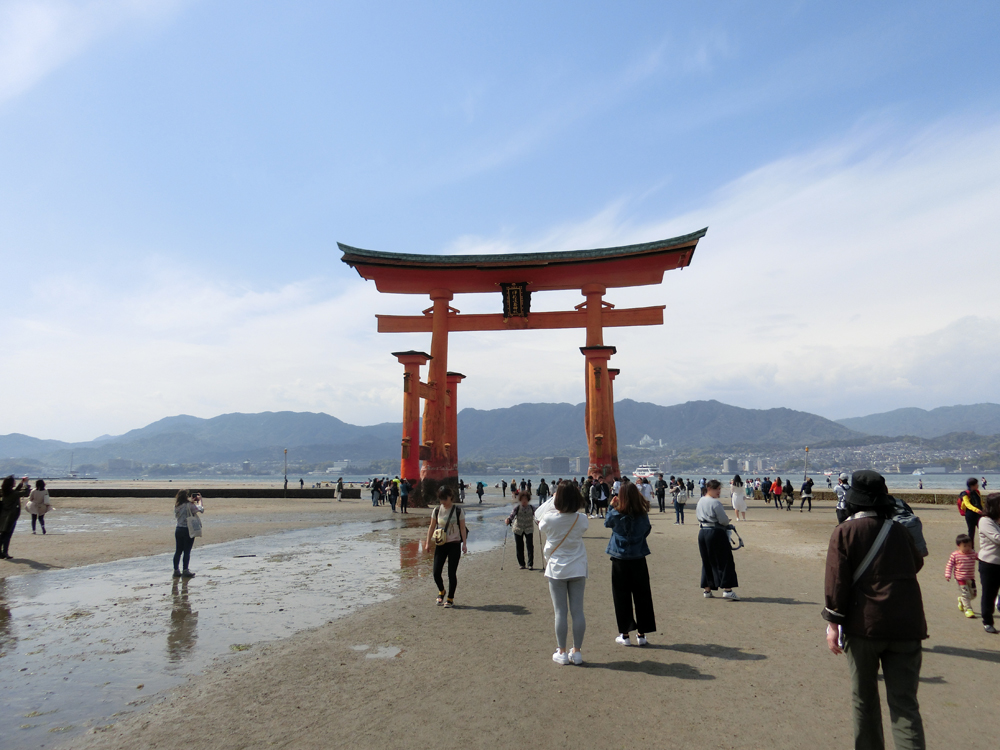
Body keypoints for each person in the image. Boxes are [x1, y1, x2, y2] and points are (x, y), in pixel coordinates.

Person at [822, 470, 926, 750]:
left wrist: (833, 625)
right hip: (906, 623)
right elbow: (916, 564)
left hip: (863, 625)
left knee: (864, 700)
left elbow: (836, 582)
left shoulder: (844, 532)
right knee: (905, 704)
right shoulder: (900, 530)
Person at [537, 481, 589, 665]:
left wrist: (553, 501)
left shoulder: (550, 519)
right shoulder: (581, 519)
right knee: (577, 612)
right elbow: (582, 528)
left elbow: (540, 521)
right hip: (577, 567)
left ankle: (562, 651)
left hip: (557, 568)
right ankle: (577, 652)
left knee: (560, 612)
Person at [605, 483, 655, 646]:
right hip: (638, 556)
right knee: (642, 596)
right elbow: (647, 530)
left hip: (620, 558)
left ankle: (625, 634)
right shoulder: (642, 514)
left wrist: (612, 507)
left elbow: (607, 523)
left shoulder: (616, 514)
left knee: (621, 596)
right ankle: (642, 634)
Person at [425, 486, 468, 608]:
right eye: (441, 498)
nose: (443, 501)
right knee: (436, 572)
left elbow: (463, 528)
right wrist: (427, 542)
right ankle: (441, 591)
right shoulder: (437, 510)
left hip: (454, 544)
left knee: (451, 573)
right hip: (440, 544)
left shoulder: (458, 511)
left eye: (445, 498)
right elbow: (432, 527)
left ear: (451, 497)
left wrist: (464, 544)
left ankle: (450, 598)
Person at [696, 479, 739, 600]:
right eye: (717, 489)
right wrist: (726, 522)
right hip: (715, 532)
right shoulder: (715, 503)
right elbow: (723, 520)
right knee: (725, 560)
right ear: (710, 489)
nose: (719, 492)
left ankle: (707, 589)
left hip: (702, 532)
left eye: (720, 489)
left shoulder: (700, 500)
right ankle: (727, 589)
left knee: (707, 560)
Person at [977, 493, 1000, 634]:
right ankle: (987, 621)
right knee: (989, 594)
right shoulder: (985, 521)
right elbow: (997, 538)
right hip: (990, 564)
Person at [944, 533, 978, 619]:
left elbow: (980, 557)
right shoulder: (955, 555)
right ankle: (968, 609)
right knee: (966, 594)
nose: (967, 548)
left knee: (973, 595)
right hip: (960, 578)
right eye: (965, 546)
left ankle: (961, 600)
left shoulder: (973, 553)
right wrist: (948, 574)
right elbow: (949, 565)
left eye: (969, 546)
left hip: (970, 578)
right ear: (959, 546)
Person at [173, 490, 204, 578]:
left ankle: (176, 570)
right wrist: (199, 500)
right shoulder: (190, 505)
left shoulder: (177, 506)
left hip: (178, 529)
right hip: (188, 529)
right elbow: (201, 509)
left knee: (178, 551)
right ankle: (185, 570)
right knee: (187, 551)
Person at [0, 475, 30, 559]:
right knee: (7, 535)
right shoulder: (12, 494)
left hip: (3, 515)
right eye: (14, 481)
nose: (15, 482)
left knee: (3, 534)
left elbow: (15, 492)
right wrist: (26, 484)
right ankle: (5, 552)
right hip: (11, 516)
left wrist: (21, 484)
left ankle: (1, 553)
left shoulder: (5, 492)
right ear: (11, 484)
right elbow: (25, 493)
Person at [505, 490, 536, 570]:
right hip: (518, 528)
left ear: (528, 499)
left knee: (530, 546)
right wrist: (508, 520)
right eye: (522, 499)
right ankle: (522, 564)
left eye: (525, 499)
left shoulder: (532, 508)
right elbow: (511, 516)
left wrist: (539, 521)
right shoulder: (517, 508)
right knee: (519, 546)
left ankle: (530, 564)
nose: (524, 501)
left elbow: (537, 516)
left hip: (529, 528)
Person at [959, 477, 983, 549]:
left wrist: (984, 509)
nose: (978, 485)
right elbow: (967, 504)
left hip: (979, 514)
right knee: (971, 532)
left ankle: (984, 546)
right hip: (970, 514)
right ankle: (971, 548)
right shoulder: (965, 494)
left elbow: (980, 502)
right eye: (976, 484)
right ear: (972, 485)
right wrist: (976, 510)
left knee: (982, 530)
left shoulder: (977, 492)